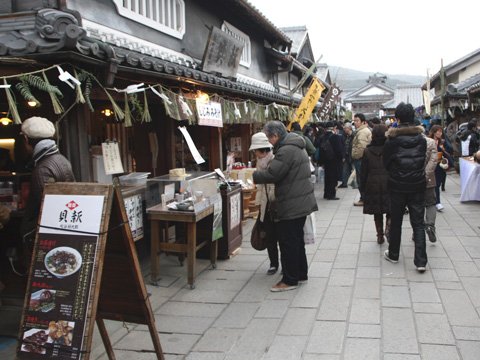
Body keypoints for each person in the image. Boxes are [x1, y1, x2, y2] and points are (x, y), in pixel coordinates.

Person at [253, 120, 318, 292]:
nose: (268, 141)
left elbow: (273, 173)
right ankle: (300, 274)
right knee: (296, 240)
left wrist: (254, 175)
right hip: (299, 200)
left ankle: (290, 280)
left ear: (275, 136)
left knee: (288, 242)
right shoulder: (294, 144)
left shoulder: (285, 150)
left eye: (268, 138)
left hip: (292, 203)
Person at [383, 102, 428, 273]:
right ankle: (421, 261)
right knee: (418, 223)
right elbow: (421, 161)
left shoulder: (392, 140)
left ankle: (394, 254)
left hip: (397, 185)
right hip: (417, 184)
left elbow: (386, 163)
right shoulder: (421, 140)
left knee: (396, 221)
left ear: (398, 118)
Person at [20, 117, 75, 247]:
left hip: (47, 237)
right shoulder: (62, 159)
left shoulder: (42, 168)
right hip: (64, 227)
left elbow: (47, 209)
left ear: (26, 140)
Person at [249, 132, 278, 275]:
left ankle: (284, 263)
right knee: (269, 236)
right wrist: (259, 205)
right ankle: (273, 263)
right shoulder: (259, 164)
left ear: (263, 150)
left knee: (281, 236)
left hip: (276, 204)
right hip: (265, 205)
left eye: (256, 151)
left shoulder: (276, 160)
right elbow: (260, 188)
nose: (256, 155)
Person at [360, 124, 390, 244]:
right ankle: (388, 228)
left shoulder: (367, 151)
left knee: (377, 211)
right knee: (390, 209)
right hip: (388, 182)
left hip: (372, 183)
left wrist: (363, 187)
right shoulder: (390, 149)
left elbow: (363, 172)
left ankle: (379, 235)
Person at [429, 125, 452, 211]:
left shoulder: (443, 142)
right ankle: (434, 201)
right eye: (438, 131)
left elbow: (449, 152)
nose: (439, 133)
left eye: (441, 131)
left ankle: (437, 202)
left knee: (437, 184)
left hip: (439, 165)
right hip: (431, 165)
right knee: (431, 185)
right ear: (433, 132)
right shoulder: (429, 141)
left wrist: (443, 149)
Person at [319, 121, 344, 200]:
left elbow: (320, 149)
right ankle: (331, 194)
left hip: (326, 160)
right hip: (334, 160)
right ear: (334, 128)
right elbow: (339, 150)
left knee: (327, 177)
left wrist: (321, 162)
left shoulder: (322, 136)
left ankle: (326, 193)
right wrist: (341, 158)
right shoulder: (335, 137)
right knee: (333, 177)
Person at [351, 113, 372, 206]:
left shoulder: (362, 132)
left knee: (362, 179)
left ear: (363, 122)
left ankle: (364, 199)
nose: (355, 123)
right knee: (362, 179)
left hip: (361, 159)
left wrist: (355, 156)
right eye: (354, 121)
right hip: (363, 159)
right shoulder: (361, 131)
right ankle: (364, 198)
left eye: (357, 121)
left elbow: (361, 147)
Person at [423, 133, 439, 243]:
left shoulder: (406, 140)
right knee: (431, 203)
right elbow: (434, 160)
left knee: (415, 205)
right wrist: (426, 174)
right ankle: (430, 225)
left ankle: (417, 231)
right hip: (428, 179)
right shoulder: (430, 142)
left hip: (412, 179)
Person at [339, 122, 354, 188]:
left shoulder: (354, 135)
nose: (344, 129)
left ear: (349, 128)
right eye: (344, 128)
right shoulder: (344, 135)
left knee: (354, 170)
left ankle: (355, 183)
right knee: (345, 169)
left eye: (345, 128)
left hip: (352, 155)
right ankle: (344, 183)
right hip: (346, 155)